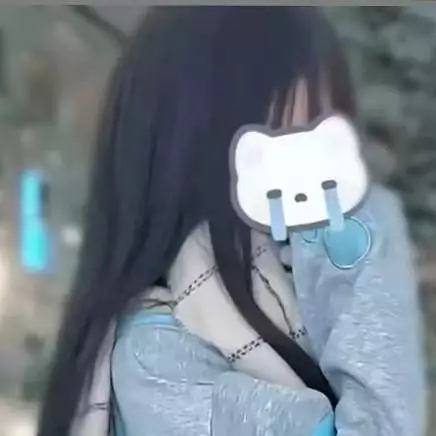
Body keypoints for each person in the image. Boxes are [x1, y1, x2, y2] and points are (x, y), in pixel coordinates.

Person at [37, 6, 426, 436]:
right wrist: (364, 241)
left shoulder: (307, 301)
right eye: (295, 140)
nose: (324, 182)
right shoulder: (159, 359)